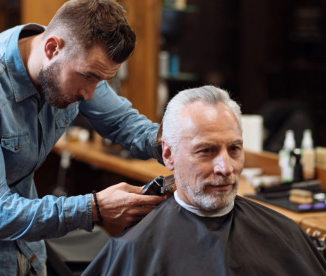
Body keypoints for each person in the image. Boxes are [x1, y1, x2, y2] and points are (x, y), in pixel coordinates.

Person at [0, 0, 166, 275]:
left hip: (30, 251)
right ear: (51, 48)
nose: (90, 94)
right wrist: (94, 208)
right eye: (88, 77)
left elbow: (123, 122)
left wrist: (178, 147)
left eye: (99, 80)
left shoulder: (71, 54)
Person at [82, 85, 326, 276]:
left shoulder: (284, 234)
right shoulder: (134, 249)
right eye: (206, 151)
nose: (226, 168)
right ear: (168, 155)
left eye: (234, 149)